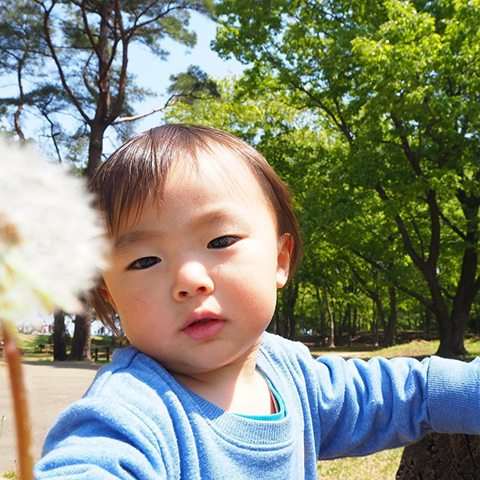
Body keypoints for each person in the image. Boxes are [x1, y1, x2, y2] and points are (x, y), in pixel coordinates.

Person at [34, 125, 480, 479]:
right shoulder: (132, 411)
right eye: (145, 260)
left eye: (220, 239)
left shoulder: (291, 373)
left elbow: (404, 394)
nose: (189, 280)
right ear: (111, 298)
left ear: (280, 260)